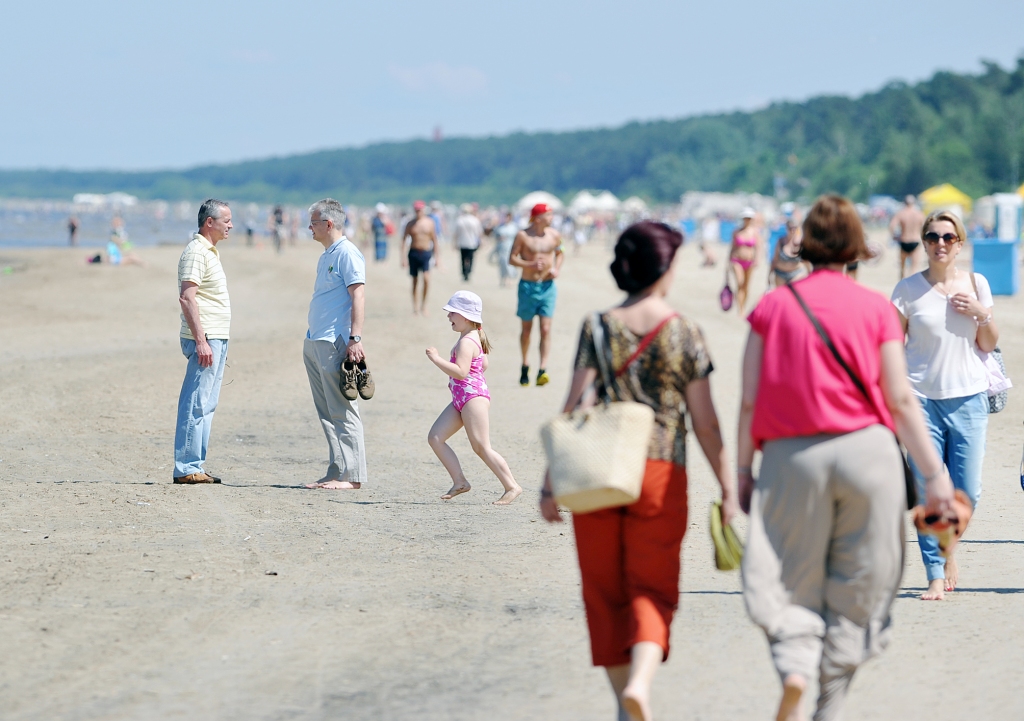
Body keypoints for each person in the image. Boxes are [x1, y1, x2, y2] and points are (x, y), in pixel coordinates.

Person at [737, 195, 955, 721]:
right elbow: (901, 399)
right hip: (868, 454)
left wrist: (740, 472)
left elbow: (749, 399)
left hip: (793, 456)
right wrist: (933, 473)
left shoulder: (772, 306)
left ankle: (794, 664)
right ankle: (829, 702)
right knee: (862, 578)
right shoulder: (877, 308)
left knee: (791, 572)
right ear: (857, 246)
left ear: (805, 244)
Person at [540, 221, 736, 721]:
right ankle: (642, 686)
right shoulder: (684, 330)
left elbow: (573, 404)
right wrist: (730, 485)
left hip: (598, 469)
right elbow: (707, 423)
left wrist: (548, 481)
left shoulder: (596, 325)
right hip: (659, 473)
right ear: (665, 267)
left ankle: (624, 706)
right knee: (652, 587)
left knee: (604, 591)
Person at [890, 209, 998, 600]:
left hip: (968, 398)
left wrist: (981, 313)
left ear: (960, 243)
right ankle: (936, 573)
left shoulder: (976, 283)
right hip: (920, 402)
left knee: (968, 490)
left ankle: (948, 547)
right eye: (933, 237)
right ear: (923, 242)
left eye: (947, 238)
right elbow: (890, 349)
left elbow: (987, 343)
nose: (940, 244)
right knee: (927, 491)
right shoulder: (906, 290)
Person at [425, 291, 522, 505]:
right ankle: (459, 481)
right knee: (435, 438)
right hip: (463, 398)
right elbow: (483, 364)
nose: (449, 316)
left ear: (466, 316)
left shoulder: (466, 342)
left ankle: (511, 486)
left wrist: (436, 359)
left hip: (472, 398)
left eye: (453, 313)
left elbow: (460, 371)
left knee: (481, 446)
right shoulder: (472, 336)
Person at [302, 199, 369, 491]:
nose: (310, 228)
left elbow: (359, 296)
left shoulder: (347, 253)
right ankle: (336, 469)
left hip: (335, 340)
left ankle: (352, 476)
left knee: (343, 409)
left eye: (314, 222)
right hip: (316, 338)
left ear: (328, 224)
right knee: (327, 412)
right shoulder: (327, 253)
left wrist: (355, 339)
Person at [173, 199, 234, 484]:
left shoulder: (209, 251)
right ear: (209, 222)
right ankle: (186, 467)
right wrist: (201, 340)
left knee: (207, 404)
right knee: (196, 402)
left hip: (216, 337)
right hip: (206, 338)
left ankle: (195, 464)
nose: (231, 226)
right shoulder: (197, 251)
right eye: (226, 221)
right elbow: (187, 297)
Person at [509, 203, 564, 386]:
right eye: (549, 215)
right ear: (538, 217)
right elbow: (512, 258)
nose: (552, 218)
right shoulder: (523, 236)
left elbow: (560, 252)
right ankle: (525, 365)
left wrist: (556, 268)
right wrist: (529, 265)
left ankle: (543, 369)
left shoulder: (554, 235)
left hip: (547, 286)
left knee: (546, 329)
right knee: (526, 331)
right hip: (528, 287)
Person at [402, 200, 440, 315]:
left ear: (423, 210)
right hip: (413, 252)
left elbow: (435, 240)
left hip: (425, 252)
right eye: (416, 210)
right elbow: (403, 240)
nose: (418, 212)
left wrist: (437, 258)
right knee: (415, 280)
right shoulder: (410, 224)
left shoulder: (430, 223)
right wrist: (403, 258)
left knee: (427, 279)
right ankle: (415, 306)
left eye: (420, 210)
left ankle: (424, 305)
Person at [729, 208, 763, 314]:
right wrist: (728, 261)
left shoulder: (755, 232)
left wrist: (757, 259)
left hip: (749, 262)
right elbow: (732, 247)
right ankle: (740, 309)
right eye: (745, 218)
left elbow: (758, 247)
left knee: (746, 286)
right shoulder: (737, 232)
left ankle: (743, 304)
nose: (747, 220)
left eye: (748, 218)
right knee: (740, 282)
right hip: (737, 260)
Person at [891, 195, 925, 280]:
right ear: (914, 203)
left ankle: (901, 286)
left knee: (902, 268)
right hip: (915, 241)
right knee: (914, 268)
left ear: (904, 203)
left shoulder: (901, 213)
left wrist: (895, 236)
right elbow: (925, 227)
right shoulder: (919, 214)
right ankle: (912, 286)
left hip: (904, 241)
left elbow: (892, 226)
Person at [769, 217, 808, 286]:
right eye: (790, 228)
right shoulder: (781, 241)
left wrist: (811, 274)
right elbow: (775, 259)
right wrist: (770, 274)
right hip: (780, 274)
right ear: (786, 229)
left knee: (794, 295)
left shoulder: (801, 242)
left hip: (796, 273)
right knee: (781, 295)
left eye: (795, 228)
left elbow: (806, 260)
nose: (793, 230)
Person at [454, 203, 483, 281]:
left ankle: (464, 272)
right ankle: (469, 271)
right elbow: (479, 233)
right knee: (471, 258)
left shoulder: (460, 220)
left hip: (462, 242)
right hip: (472, 243)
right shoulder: (475, 220)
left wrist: (455, 243)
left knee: (463, 258)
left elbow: (456, 233)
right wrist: (480, 241)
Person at [493, 211, 519, 287]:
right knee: (502, 264)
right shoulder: (500, 227)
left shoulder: (514, 227)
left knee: (510, 264)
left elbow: (517, 238)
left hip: (510, 247)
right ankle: (503, 279)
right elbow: (495, 236)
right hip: (501, 247)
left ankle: (510, 279)